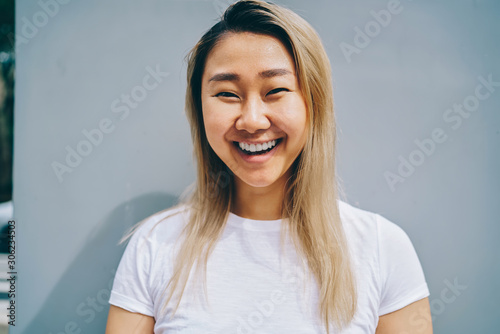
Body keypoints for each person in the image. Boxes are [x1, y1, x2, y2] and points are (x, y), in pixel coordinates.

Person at [105, 1, 432, 333]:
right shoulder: (154, 246)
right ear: (199, 108)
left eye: (275, 90)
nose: (251, 120)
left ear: (313, 104)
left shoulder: (382, 248)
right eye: (227, 94)